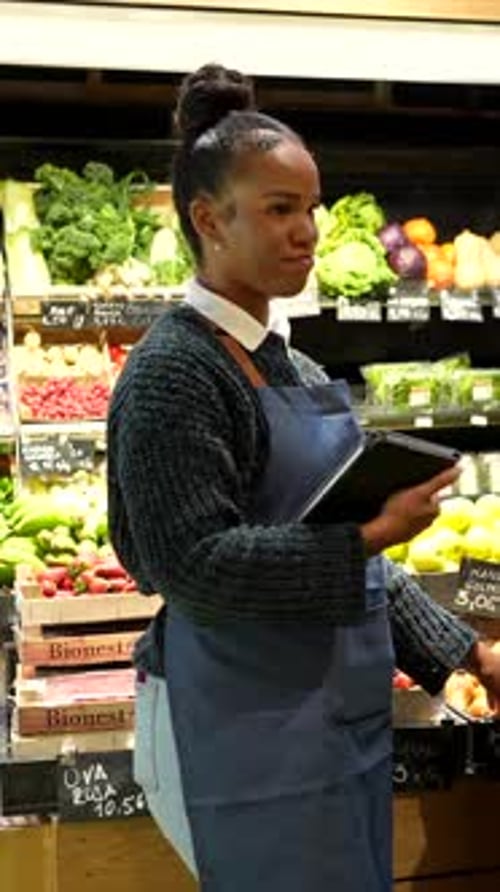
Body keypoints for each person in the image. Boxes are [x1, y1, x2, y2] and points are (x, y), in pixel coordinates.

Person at [107, 63, 500, 892]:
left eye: (312, 207)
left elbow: (358, 559)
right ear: (208, 218)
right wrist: (364, 535)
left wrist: (467, 652)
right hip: (244, 736)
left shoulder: (293, 364)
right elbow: (191, 566)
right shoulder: (171, 372)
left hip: (331, 724)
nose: (308, 231)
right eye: (280, 209)